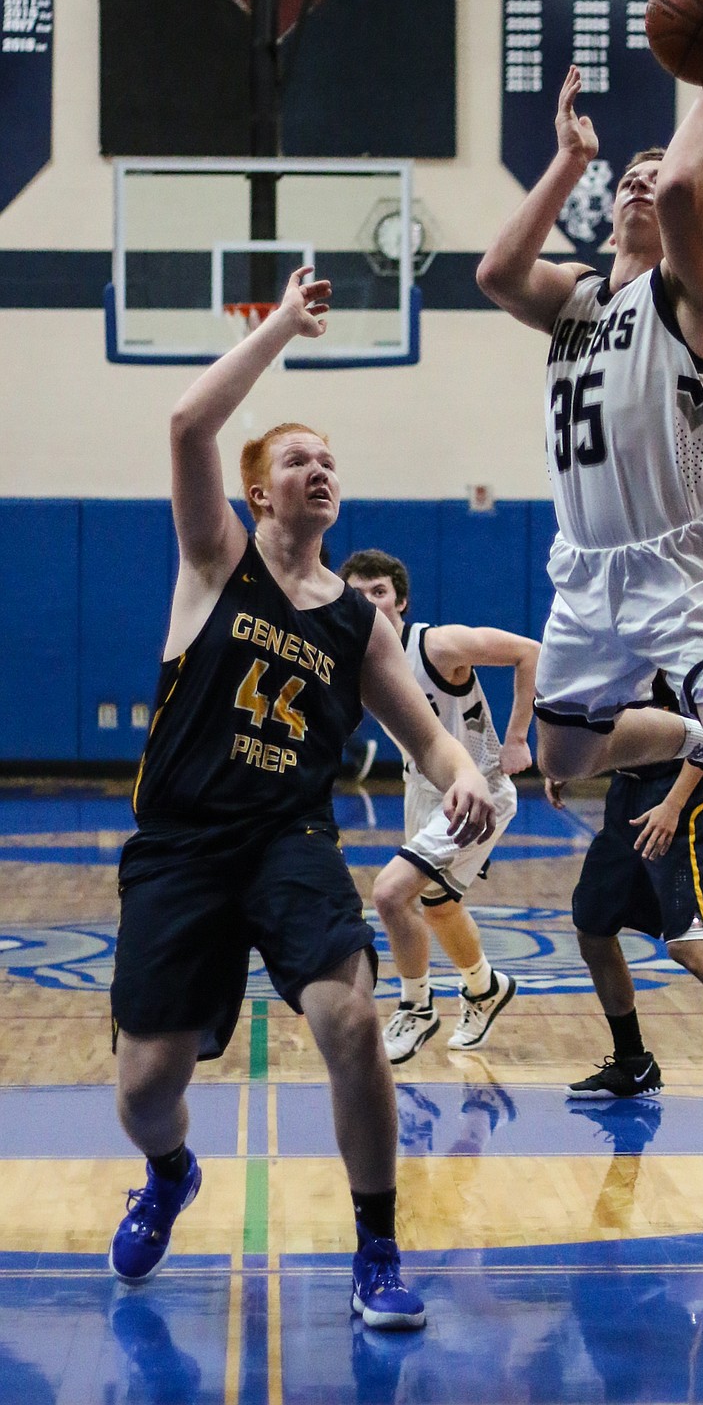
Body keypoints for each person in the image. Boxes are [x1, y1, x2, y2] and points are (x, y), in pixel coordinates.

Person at [107, 267, 495, 1333]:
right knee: (145, 1086)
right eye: (297, 458)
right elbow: (188, 417)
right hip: (182, 847)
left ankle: (376, 1247)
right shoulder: (214, 557)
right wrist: (281, 323)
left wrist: (464, 780)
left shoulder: (357, 626)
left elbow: (429, 735)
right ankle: (171, 1172)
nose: (319, 469)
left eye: (329, 459)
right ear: (257, 488)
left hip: (288, 840)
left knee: (351, 1018)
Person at [475, 46, 703, 859]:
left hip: (685, 570)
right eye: (627, 179)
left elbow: (684, 188)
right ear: (606, 208)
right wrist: (570, 160)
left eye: (653, 175)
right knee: (562, 757)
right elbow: (497, 272)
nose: (643, 183)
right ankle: (697, 730)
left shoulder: (692, 293)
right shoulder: (575, 295)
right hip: (586, 568)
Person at [547, 677, 703, 1126]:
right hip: (627, 792)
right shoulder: (617, 644)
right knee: (592, 930)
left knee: (686, 942)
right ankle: (634, 1062)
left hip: (679, 795)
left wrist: (671, 805)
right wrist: (573, 763)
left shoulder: (676, 644)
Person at [339, 548, 538, 1060]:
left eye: (378, 592)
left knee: (389, 895)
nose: (369, 603)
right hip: (419, 788)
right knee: (439, 904)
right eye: (356, 595)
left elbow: (529, 651)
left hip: (476, 791)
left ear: (400, 601)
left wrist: (517, 737)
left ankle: (415, 1006)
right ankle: (484, 987)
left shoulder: (436, 644)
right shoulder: (353, 658)